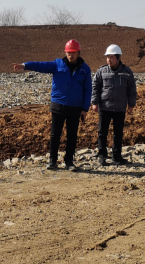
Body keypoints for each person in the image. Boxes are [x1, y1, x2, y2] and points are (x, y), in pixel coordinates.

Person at [12, 39, 92, 171]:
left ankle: (69, 162)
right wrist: (25, 66)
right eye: (68, 52)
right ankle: (52, 161)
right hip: (58, 105)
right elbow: (41, 65)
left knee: (72, 136)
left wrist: (85, 108)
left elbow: (88, 89)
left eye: (73, 52)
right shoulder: (57, 64)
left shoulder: (85, 69)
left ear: (78, 52)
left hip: (75, 107)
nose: (70, 55)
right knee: (55, 134)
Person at [91, 44, 137, 166]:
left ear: (118, 57)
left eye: (111, 57)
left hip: (120, 108)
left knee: (118, 133)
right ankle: (102, 156)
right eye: (107, 57)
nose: (109, 60)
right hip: (104, 107)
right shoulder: (102, 71)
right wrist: (94, 102)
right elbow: (95, 87)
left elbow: (132, 89)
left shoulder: (127, 72)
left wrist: (131, 104)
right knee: (102, 132)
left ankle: (117, 157)